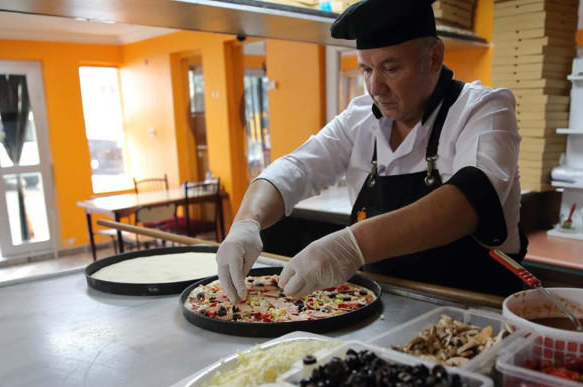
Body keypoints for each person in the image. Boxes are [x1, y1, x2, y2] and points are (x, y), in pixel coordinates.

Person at [217, 0, 526, 302]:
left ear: (434, 58)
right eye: (366, 69)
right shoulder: (361, 117)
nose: (375, 87)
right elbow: (296, 169)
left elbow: (467, 202)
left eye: (390, 69)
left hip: (472, 306)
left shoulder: (484, 108)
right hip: (384, 304)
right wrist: (247, 222)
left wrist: (352, 245)